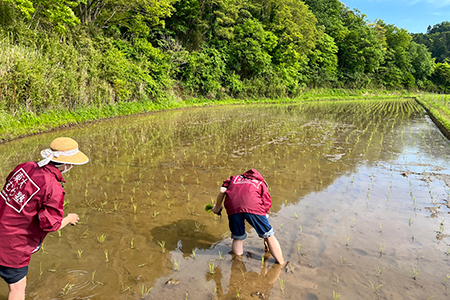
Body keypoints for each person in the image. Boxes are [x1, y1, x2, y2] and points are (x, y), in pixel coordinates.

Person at [0, 137, 89, 300]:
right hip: (12, 245)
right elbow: (50, 224)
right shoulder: (53, 187)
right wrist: (69, 218)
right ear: (66, 164)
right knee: (17, 288)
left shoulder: (26, 166)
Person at [212, 169, 285, 265]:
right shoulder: (260, 183)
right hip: (253, 206)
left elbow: (222, 191)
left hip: (233, 207)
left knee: (238, 237)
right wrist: (265, 236)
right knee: (269, 234)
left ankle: (237, 263)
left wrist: (217, 208)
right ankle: (281, 263)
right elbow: (266, 203)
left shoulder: (233, 179)